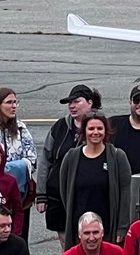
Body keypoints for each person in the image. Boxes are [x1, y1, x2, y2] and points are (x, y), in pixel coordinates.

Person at [57, 112, 132, 250]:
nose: (95, 132)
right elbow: (64, 191)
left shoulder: (117, 157)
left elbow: (126, 193)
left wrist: (122, 228)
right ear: (84, 131)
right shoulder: (71, 157)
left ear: (106, 131)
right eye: (91, 129)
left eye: (100, 128)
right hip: (78, 228)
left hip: (108, 228)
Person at [38, 84, 99, 243]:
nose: (72, 106)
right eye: (69, 103)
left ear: (90, 102)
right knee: (66, 247)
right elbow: (45, 160)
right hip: (58, 197)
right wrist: (42, 195)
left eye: (76, 102)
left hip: (87, 197)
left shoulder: (99, 127)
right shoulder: (59, 127)